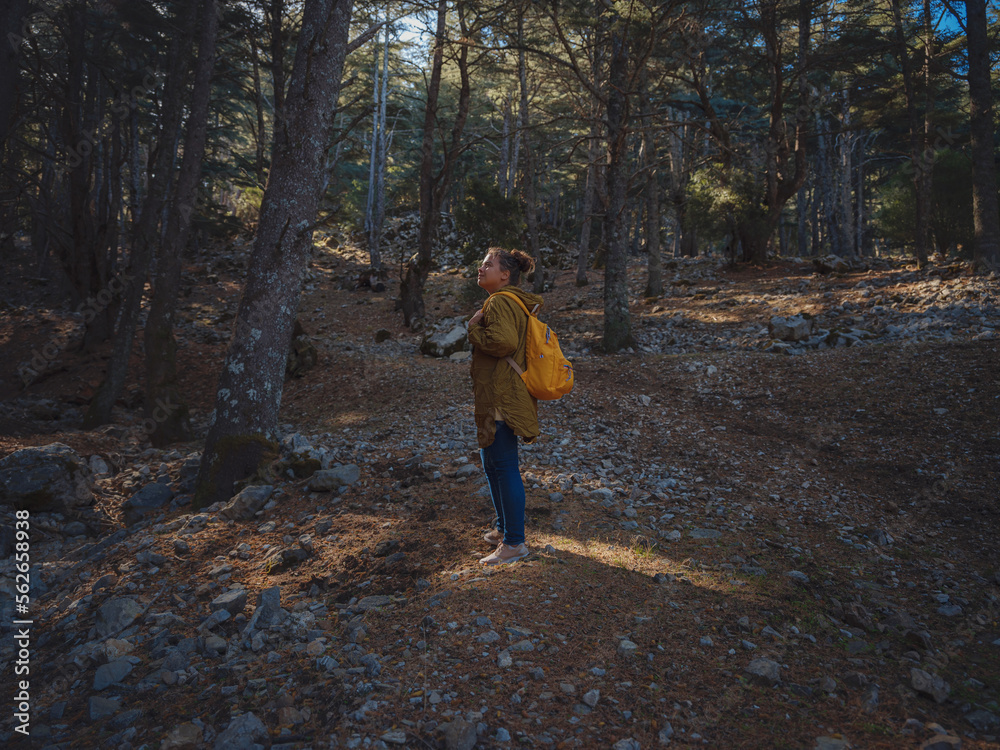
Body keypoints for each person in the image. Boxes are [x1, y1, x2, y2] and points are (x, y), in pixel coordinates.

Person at [467, 247, 542, 565]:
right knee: (491, 462)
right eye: (482, 264)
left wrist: (472, 328)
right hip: (500, 391)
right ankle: (503, 529)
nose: (481, 268)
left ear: (505, 274)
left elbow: (504, 343)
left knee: (505, 465)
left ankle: (514, 543)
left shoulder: (499, 301)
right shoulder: (509, 301)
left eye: (488, 265)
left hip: (502, 395)